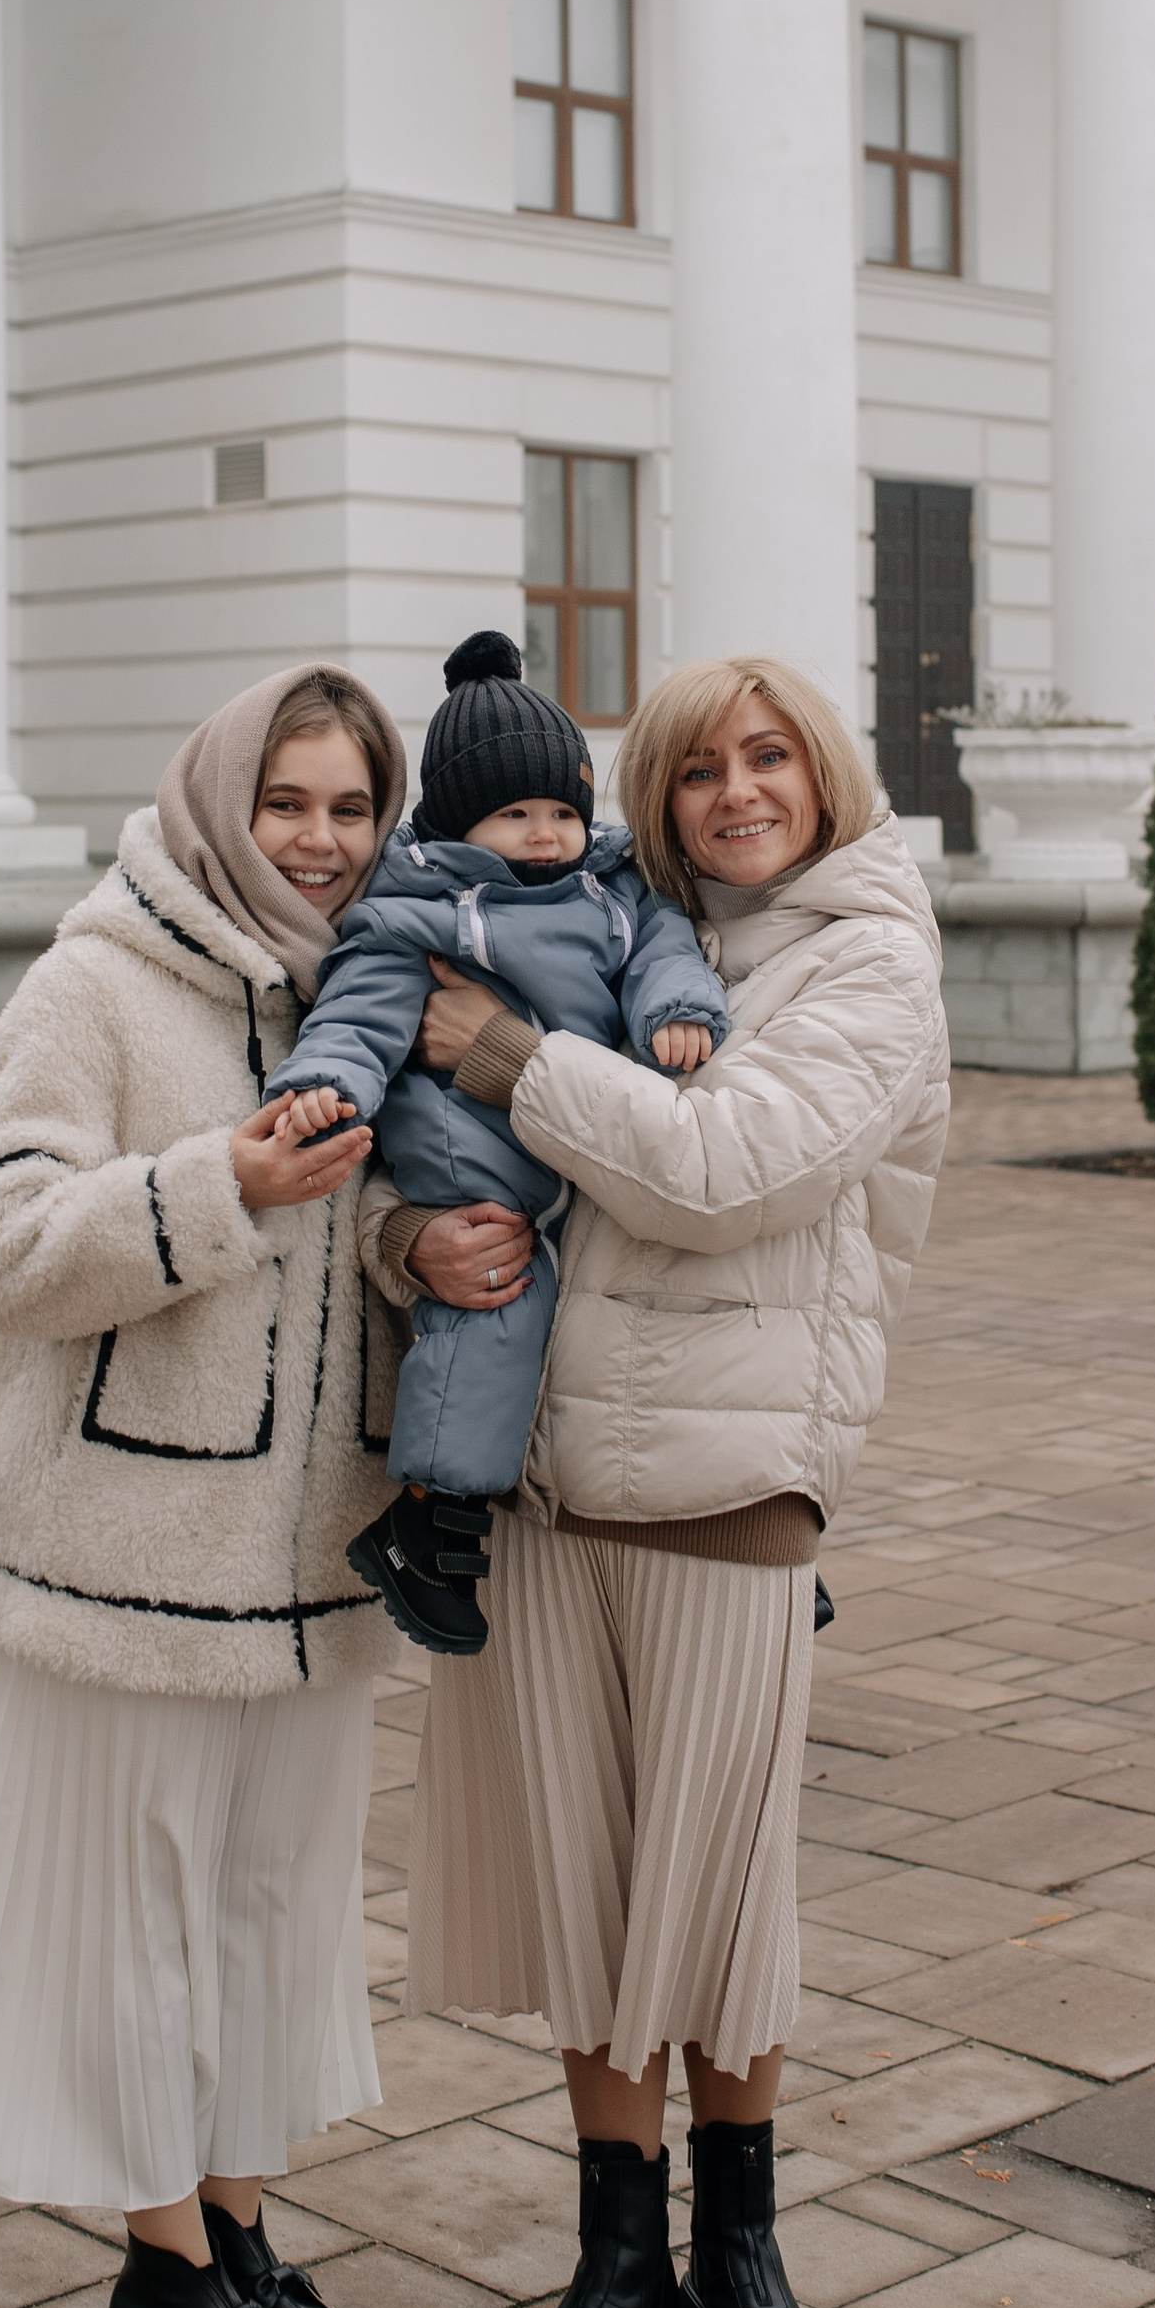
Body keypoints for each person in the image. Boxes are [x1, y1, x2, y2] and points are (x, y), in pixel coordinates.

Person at [386, 655, 950, 2308]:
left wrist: (502, 1048)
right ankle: (620, 2271)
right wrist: (413, 1237)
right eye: (696, 767)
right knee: (588, 1890)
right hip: (540, 1485)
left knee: (720, 1897)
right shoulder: (616, 915)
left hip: (727, 1494)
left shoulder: (867, 956)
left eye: (769, 757)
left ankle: (749, 2254)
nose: (735, 792)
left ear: (826, 773)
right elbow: (470, 1159)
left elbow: (724, 1176)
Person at [0, 665, 408, 2308]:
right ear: (216, 803)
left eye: (350, 807)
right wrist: (214, 1186)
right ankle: (160, 2276)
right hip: (128, 1567)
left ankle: (236, 2229)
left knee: (267, 1909)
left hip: (319, 1568)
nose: (320, 842)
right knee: (137, 1923)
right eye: (288, 803)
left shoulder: (380, 993)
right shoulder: (93, 982)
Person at [267, 630, 726, 1655]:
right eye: (515, 813)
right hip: (477, 1158)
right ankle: (433, 1522)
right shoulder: (425, 910)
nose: (545, 834)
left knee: (658, 1301)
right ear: (458, 819)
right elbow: (359, 1015)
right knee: (492, 1313)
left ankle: (738, 1522)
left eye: (562, 810)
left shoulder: (617, 892)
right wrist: (324, 1082)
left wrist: (677, 1011)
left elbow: (664, 955)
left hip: (581, 1142)